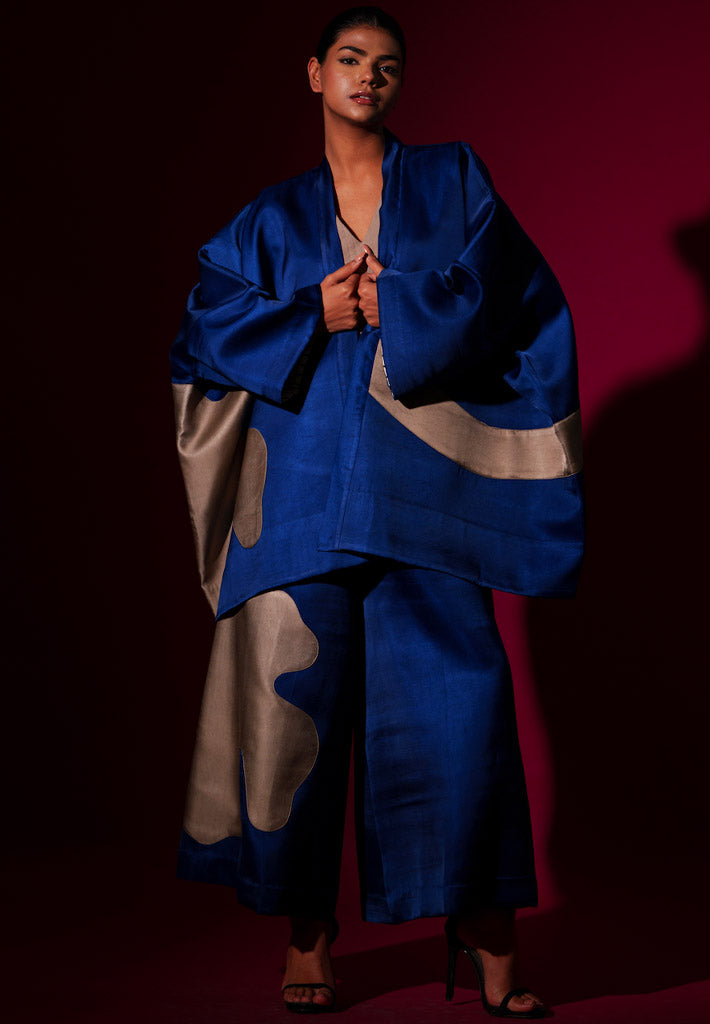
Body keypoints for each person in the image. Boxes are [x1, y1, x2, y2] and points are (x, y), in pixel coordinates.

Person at [171, 6, 583, 1017]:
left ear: (403, 82)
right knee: (294, 716)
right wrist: (314, 311)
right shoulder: (269, 219)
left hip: (425, 493)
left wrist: (393, 303)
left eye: (388, 64)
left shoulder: (452, 181)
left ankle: (482, 922)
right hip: (302, 493)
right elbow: (207, 327)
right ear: (315, 73)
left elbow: (508, 291)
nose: (370, 77)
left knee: (458, 709)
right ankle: (307, 930)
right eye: (351, 59)